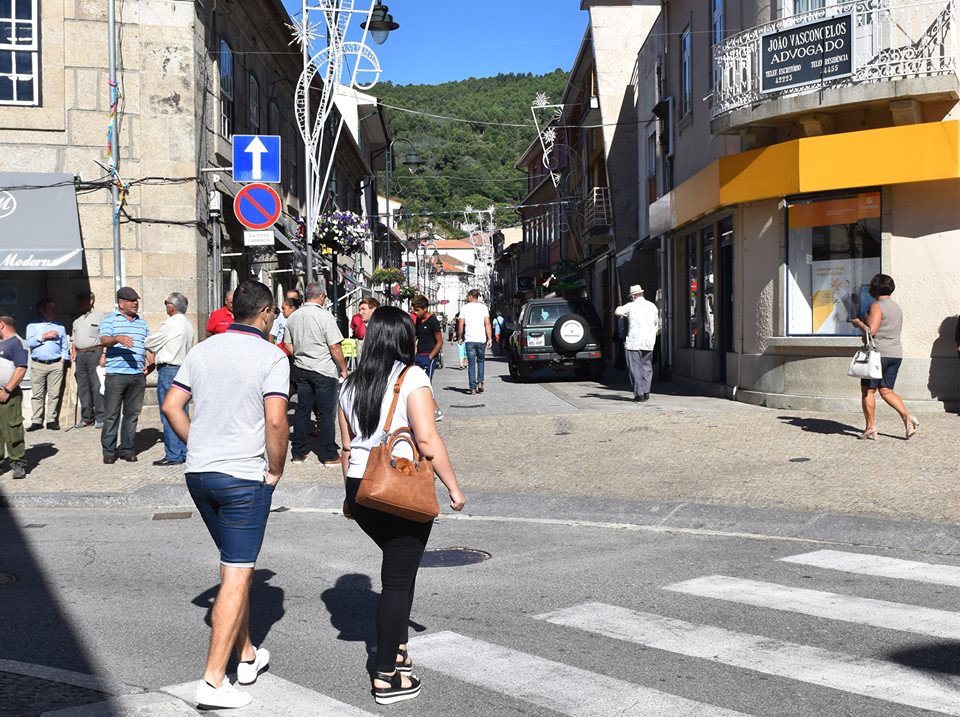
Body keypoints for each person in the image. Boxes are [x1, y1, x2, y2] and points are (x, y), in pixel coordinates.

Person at [162, 280, 289, 711]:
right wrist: (275, 469)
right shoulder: (272, 356)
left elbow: (170, 406)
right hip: (242, 476)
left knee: (238, 567)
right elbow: (276, 422)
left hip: (199, 474)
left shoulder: (202, 349)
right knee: (236, 575)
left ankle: (247, 653)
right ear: (267, 313)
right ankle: (213, 682)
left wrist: (196, 443)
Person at [337, 306, 466, 705]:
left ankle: (401, 649)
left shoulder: (348, 383)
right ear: (405, 339)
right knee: (396, 579)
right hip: (398, 486)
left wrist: (348, 495)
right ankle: (386, 674)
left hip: (363, 487)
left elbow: (345, 446)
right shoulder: (413, 377)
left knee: (400, 569)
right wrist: (454, 488)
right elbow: (426, 441)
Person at [283, 282, 347, 465]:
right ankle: (329, 454)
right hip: (323, 370)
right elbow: (334, 346)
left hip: (302, 369)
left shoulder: (294, 317)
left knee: (303, 410)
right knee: (326, 413)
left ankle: (298, 452)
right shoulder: (325, 316)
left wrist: (302, 356)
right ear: (321, 297)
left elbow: (288, 345)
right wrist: (343, 367)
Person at [850, 273, 919, 441]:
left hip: (877, 355)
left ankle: (870, 427)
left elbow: (871, 331)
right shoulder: (896, 307)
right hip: (895, 353)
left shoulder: (877, 305)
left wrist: (859, 323)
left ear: (874, 288)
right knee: (887, 391)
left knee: (868, 391)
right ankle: (907, 418)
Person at [99, 286, 151, 464]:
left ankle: (127, 449)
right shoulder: (110, 320)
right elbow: (104, 340)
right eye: (131, 300)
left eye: (136, 300)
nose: (135, 303)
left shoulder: (142, 323)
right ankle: (109, 451)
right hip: (116, 374)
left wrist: (149, 365)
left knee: (132, 414)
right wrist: (117, 338)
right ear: (121, 303)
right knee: (112, 414)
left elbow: (148, 346)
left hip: (137, 375)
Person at [144, 292, 195, 466]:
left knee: (168, 412)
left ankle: (173, 453)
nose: (165, 306)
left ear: (171, 307)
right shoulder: (188, 325)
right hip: (183, 369)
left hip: (169, 369)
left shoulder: (170, 324)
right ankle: (184, 450)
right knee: (182, 412)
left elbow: (150, 343)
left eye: (166, 303)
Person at [25, 299, 69, 431]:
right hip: (38, 364)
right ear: (42, 310)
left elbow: (65, 347)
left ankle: (51, 420)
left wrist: (62, 361)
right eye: (50, 308)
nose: (53, 311)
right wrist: (44, 336)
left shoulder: (60, 327)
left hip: (55, 364)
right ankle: (37, 420)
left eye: (53, 308)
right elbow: (29, 343)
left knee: (54, 394)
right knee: (37, 394)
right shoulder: (32, 326)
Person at [614, 284, 660, 402]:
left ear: (633, 296)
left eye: (631, 297)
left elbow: (617, 311)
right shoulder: (652, 306)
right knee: (647, 366)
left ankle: (639, 394)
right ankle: (646, 391)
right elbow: (656, 322)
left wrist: (621, 310)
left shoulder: (631, 306)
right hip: (649, 341)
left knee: (635, 367)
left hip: (634, 341)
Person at [70, 291, 105, 429]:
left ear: (90, 301)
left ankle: (101, 416)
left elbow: (105, 336)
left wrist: (104, 354)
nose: (80, 303)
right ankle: (86, 417)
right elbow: (73, 339)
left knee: (97, 386)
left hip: (95, 352)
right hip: (80, 355)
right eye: (79, 301)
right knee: (83, 387)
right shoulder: (76, 321)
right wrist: (73, 351)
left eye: (83, 300)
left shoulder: (100, 316)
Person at [0, 315, 29, 479]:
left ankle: (18, 462)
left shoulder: (17, 343)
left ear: (1, 324)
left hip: (9, 394)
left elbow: (21, 369)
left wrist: (7, 390)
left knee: (12, 428)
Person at [411, 295, 444, 422]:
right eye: (414, 309)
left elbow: (440, 342)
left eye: (417, 309)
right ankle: (433, 410)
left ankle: (435, 411)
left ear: (425, 308)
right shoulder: (419, 320)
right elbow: (415, 337)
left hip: (429, 357)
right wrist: (413, 352)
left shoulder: (433, 321)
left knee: (426, 385)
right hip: (418, 356)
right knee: (418, 384)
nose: (415, 312)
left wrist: (430, 357)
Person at [458, 289, 492, 395]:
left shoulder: (464, 308)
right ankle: (480, 382)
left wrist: (460, 337)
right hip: (481, 339)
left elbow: (461, 324)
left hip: (470, 340)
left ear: (471, 296)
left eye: (468, 296)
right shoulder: (483, 308)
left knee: (471, 364)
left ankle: (472, 388)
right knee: (481, 361)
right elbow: (487, 323)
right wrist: (489, 338)